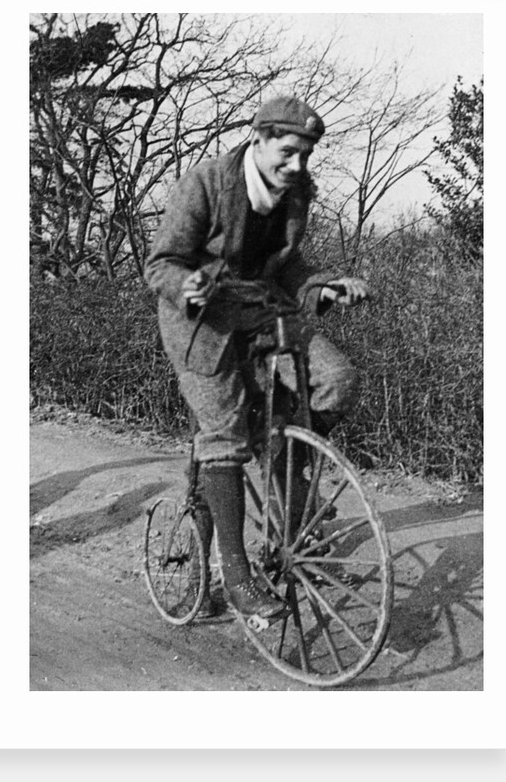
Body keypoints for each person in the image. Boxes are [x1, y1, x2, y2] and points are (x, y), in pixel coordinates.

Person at [144, 95, 369, 619]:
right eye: (288, 152)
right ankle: (237, 574)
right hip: (202, 323)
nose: (297, 166)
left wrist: (322, 286)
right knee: (224, 435)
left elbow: (287, 267)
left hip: (262, 312)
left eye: (306, 156)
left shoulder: (295, 194)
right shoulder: (204, 184)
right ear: (259, 138)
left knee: (337, 379)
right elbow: (162, 263)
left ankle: (281, 462)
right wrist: (189, 285)